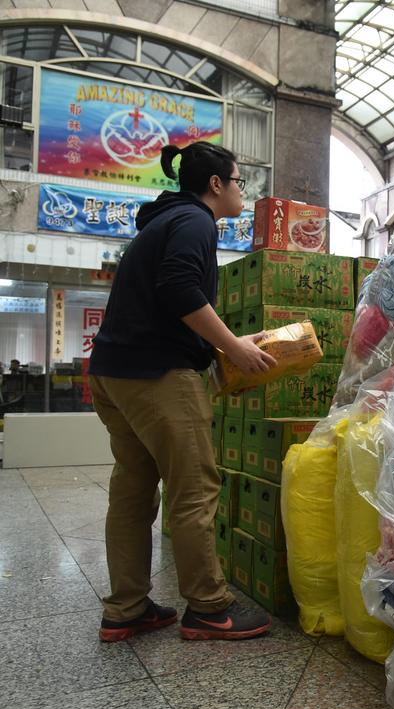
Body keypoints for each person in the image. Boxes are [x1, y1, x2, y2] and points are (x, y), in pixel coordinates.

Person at [89, 141, 276, 642]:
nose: (243, 191)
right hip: (156, 375)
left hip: (114, 372)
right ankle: (209, 608)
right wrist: (233, 347)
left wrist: (229, 346)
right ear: (216, 185)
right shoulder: (194, 221)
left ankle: (125, 608)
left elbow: (164, 305)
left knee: (132, 488)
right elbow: (178, 291)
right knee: (194, 489)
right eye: (240, 182)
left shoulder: (163, 221)